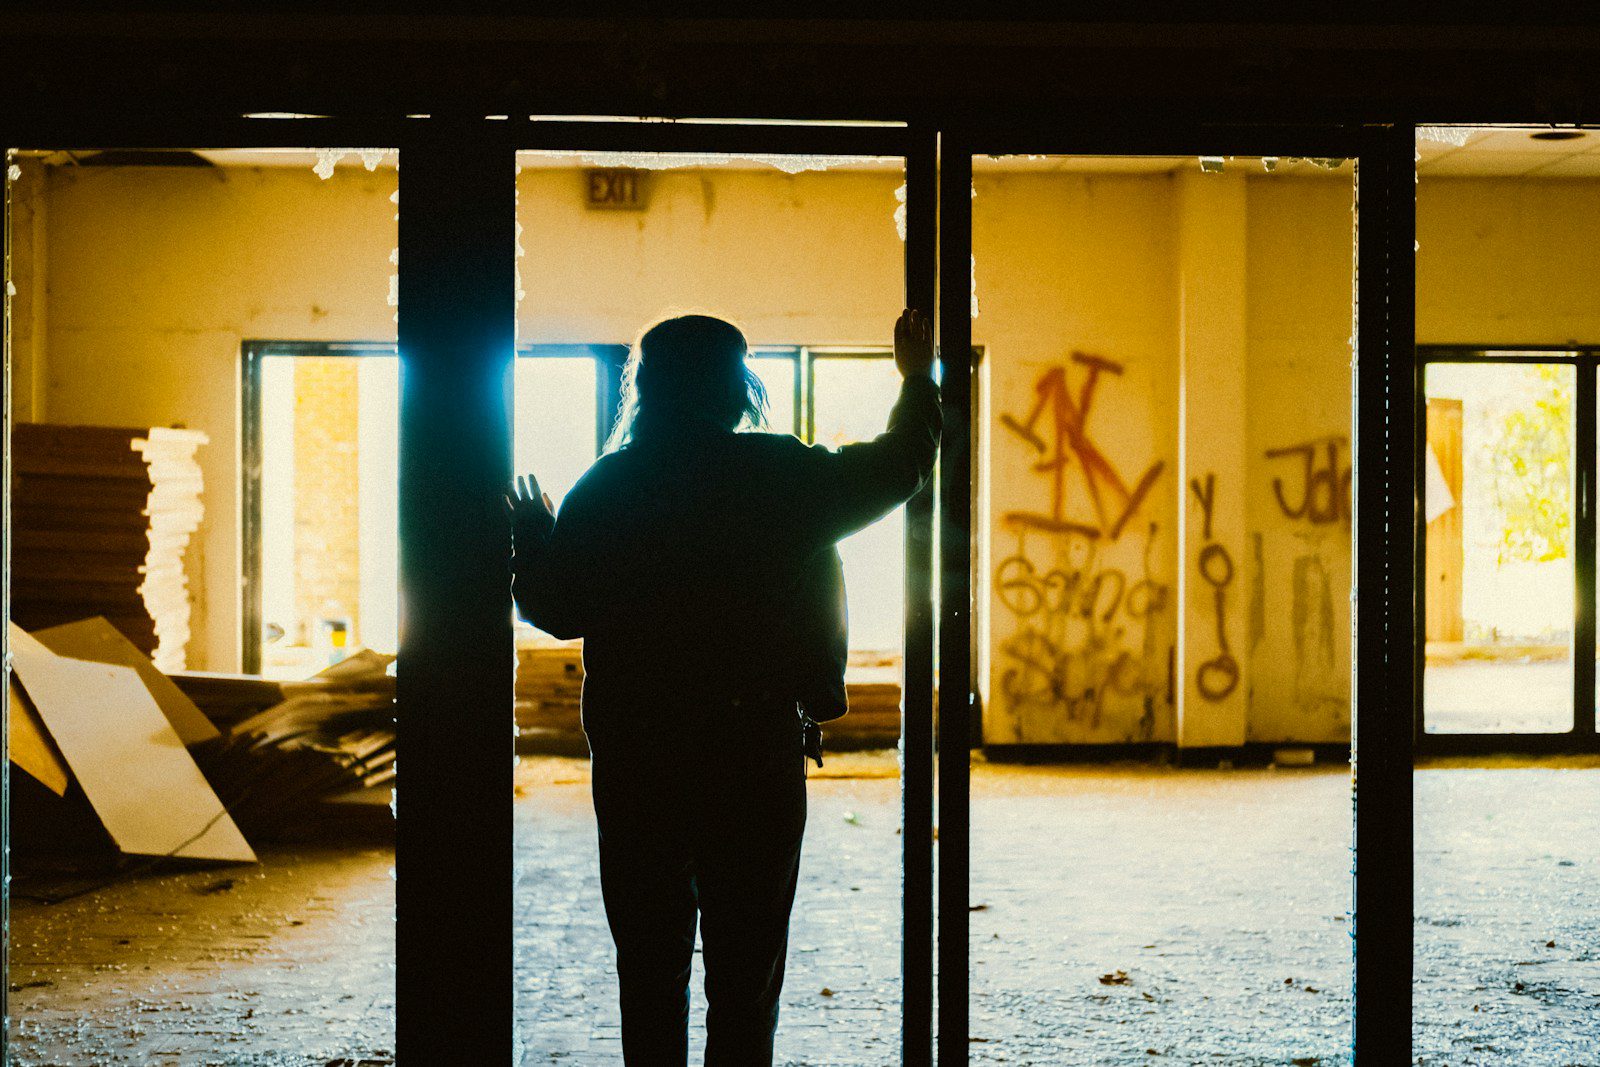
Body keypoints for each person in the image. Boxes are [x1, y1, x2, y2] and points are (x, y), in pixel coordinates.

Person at [506, 308, 940, 1066]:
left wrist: (535, 541)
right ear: (737, 387)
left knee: (649, 964)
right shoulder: (780, 473)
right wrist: (915, 380)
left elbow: (561, 609)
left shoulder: (607, 487)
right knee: (746, 969)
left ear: (646, 390)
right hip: (752, 750)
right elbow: (898, 466)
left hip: (639, 758)